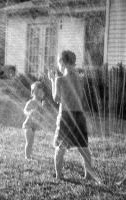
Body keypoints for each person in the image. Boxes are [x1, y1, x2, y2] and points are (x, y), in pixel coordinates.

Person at [48, 50, 101, 184]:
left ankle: (59, 175)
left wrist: (53, 81)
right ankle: (88, 174)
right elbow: (81, 97)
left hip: (66, 115)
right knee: (83, 146)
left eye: (59, 64)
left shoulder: (60, 79)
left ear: (62, 62)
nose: (58, 67)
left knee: (60, 147)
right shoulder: (80, 79)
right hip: (79, 115)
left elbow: (56, 98)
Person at [22, 81, 45, 159]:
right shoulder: (31, 102)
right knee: (29, 142)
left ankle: (29, 154)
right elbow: (25, 110)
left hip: (33, 126)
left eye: (42, 91)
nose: (41, 93)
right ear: (34, 93)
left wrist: (42, 110)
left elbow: (41, 115)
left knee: (31, 142)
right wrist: (29, 113)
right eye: (39, 91)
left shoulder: (40, 103)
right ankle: (27, 157)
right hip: (27, 125)